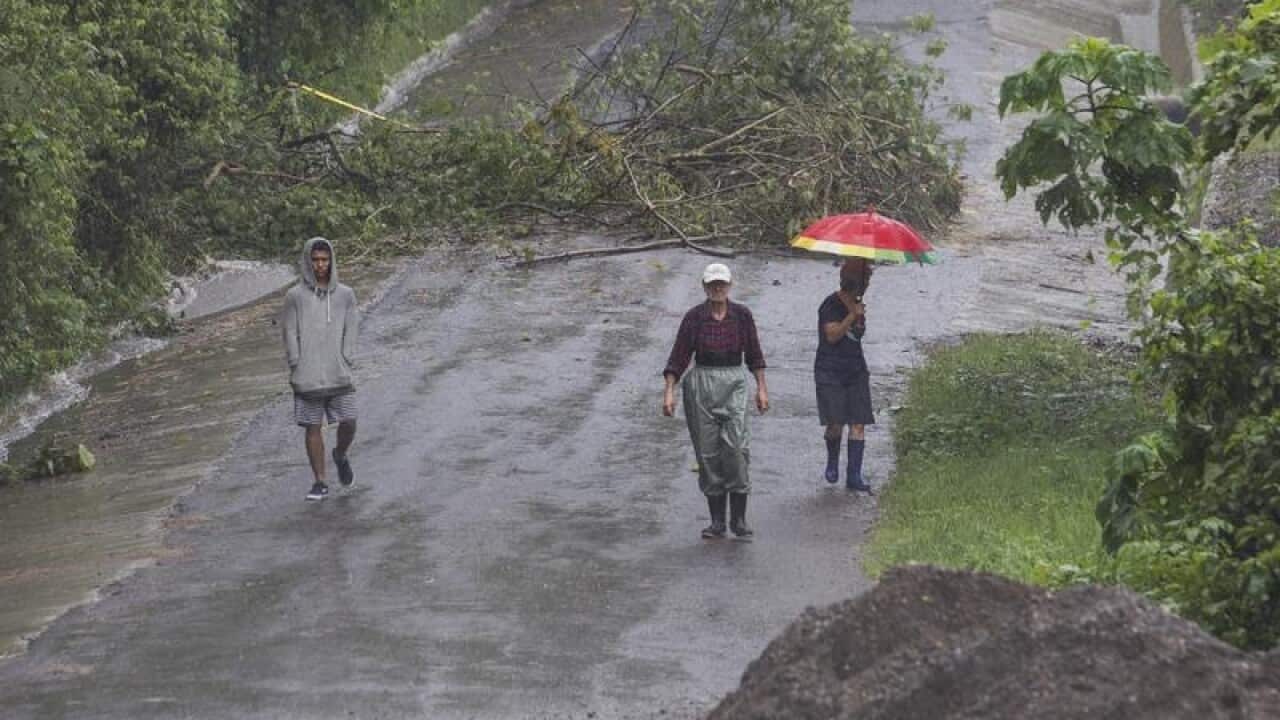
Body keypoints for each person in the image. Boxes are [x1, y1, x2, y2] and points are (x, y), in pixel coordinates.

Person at [663, 263, 769, 539]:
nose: (717, 288)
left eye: (721, 284)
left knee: (735, 447)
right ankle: (717, 521)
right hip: (701, 384)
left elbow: (755, 355)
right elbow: (679, 356)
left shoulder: (742, 316)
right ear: (705, 287)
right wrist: (669, 391)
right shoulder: (694, 318)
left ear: (730, 286)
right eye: (712, 285)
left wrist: (761, 388)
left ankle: (739, 520)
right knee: (708, 452)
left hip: (733, 380)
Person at [281, 236, 360, 501]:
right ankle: (320, 481)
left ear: (332, 260)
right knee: (312, 426)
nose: (320, 265)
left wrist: (346, 357)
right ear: (307, 261)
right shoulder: (294, 296)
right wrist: (296, 362)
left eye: (324, 259)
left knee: (349, 420)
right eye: (315, 260)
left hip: (338, 370)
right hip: (308, 373)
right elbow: (290, 331)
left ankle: (340, 453)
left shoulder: (345, 294)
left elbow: (352, 327)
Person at [814, 258, 875, 492]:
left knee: (858, 423)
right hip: (830, 370)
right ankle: (832, 461)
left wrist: (858, 313)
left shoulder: (860, 305)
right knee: (835, 424)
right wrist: (851, 316)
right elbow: (832, 336)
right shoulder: (830, 305)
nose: (867, 284)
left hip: (856, 369)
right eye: (864, 280)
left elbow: (857, 336)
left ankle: (854, 475)